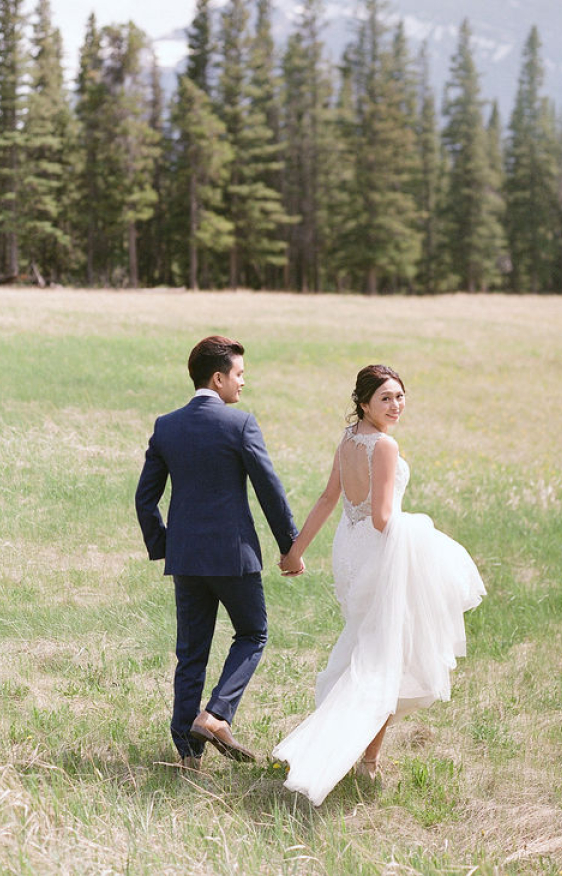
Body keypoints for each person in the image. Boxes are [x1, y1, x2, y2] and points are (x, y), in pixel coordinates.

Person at [273, 365, 485, 805]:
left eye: (400, 396)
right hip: (379, 554)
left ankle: (362, 756)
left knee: (368, 649)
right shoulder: (385, 445)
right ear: (364, 402)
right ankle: (359, 759)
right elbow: (383, 517)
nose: (395, 405)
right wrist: (426, 539)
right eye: (385, 398)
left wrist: (297, 551)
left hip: (350, 552)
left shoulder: (349, 438)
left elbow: (329, 499)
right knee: (383, 657)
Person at [135, 335, 301, 771]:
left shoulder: (167, 426)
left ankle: (187, 757)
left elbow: (144, 499)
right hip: (233, 557)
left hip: (186, 559)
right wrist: (291, 547)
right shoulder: (240, 424)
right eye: (239, 374)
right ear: (218, 378)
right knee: (253, 633)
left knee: (191, 652)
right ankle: (215, 715)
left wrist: (165, 545)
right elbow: (269, 490)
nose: (243, 382)